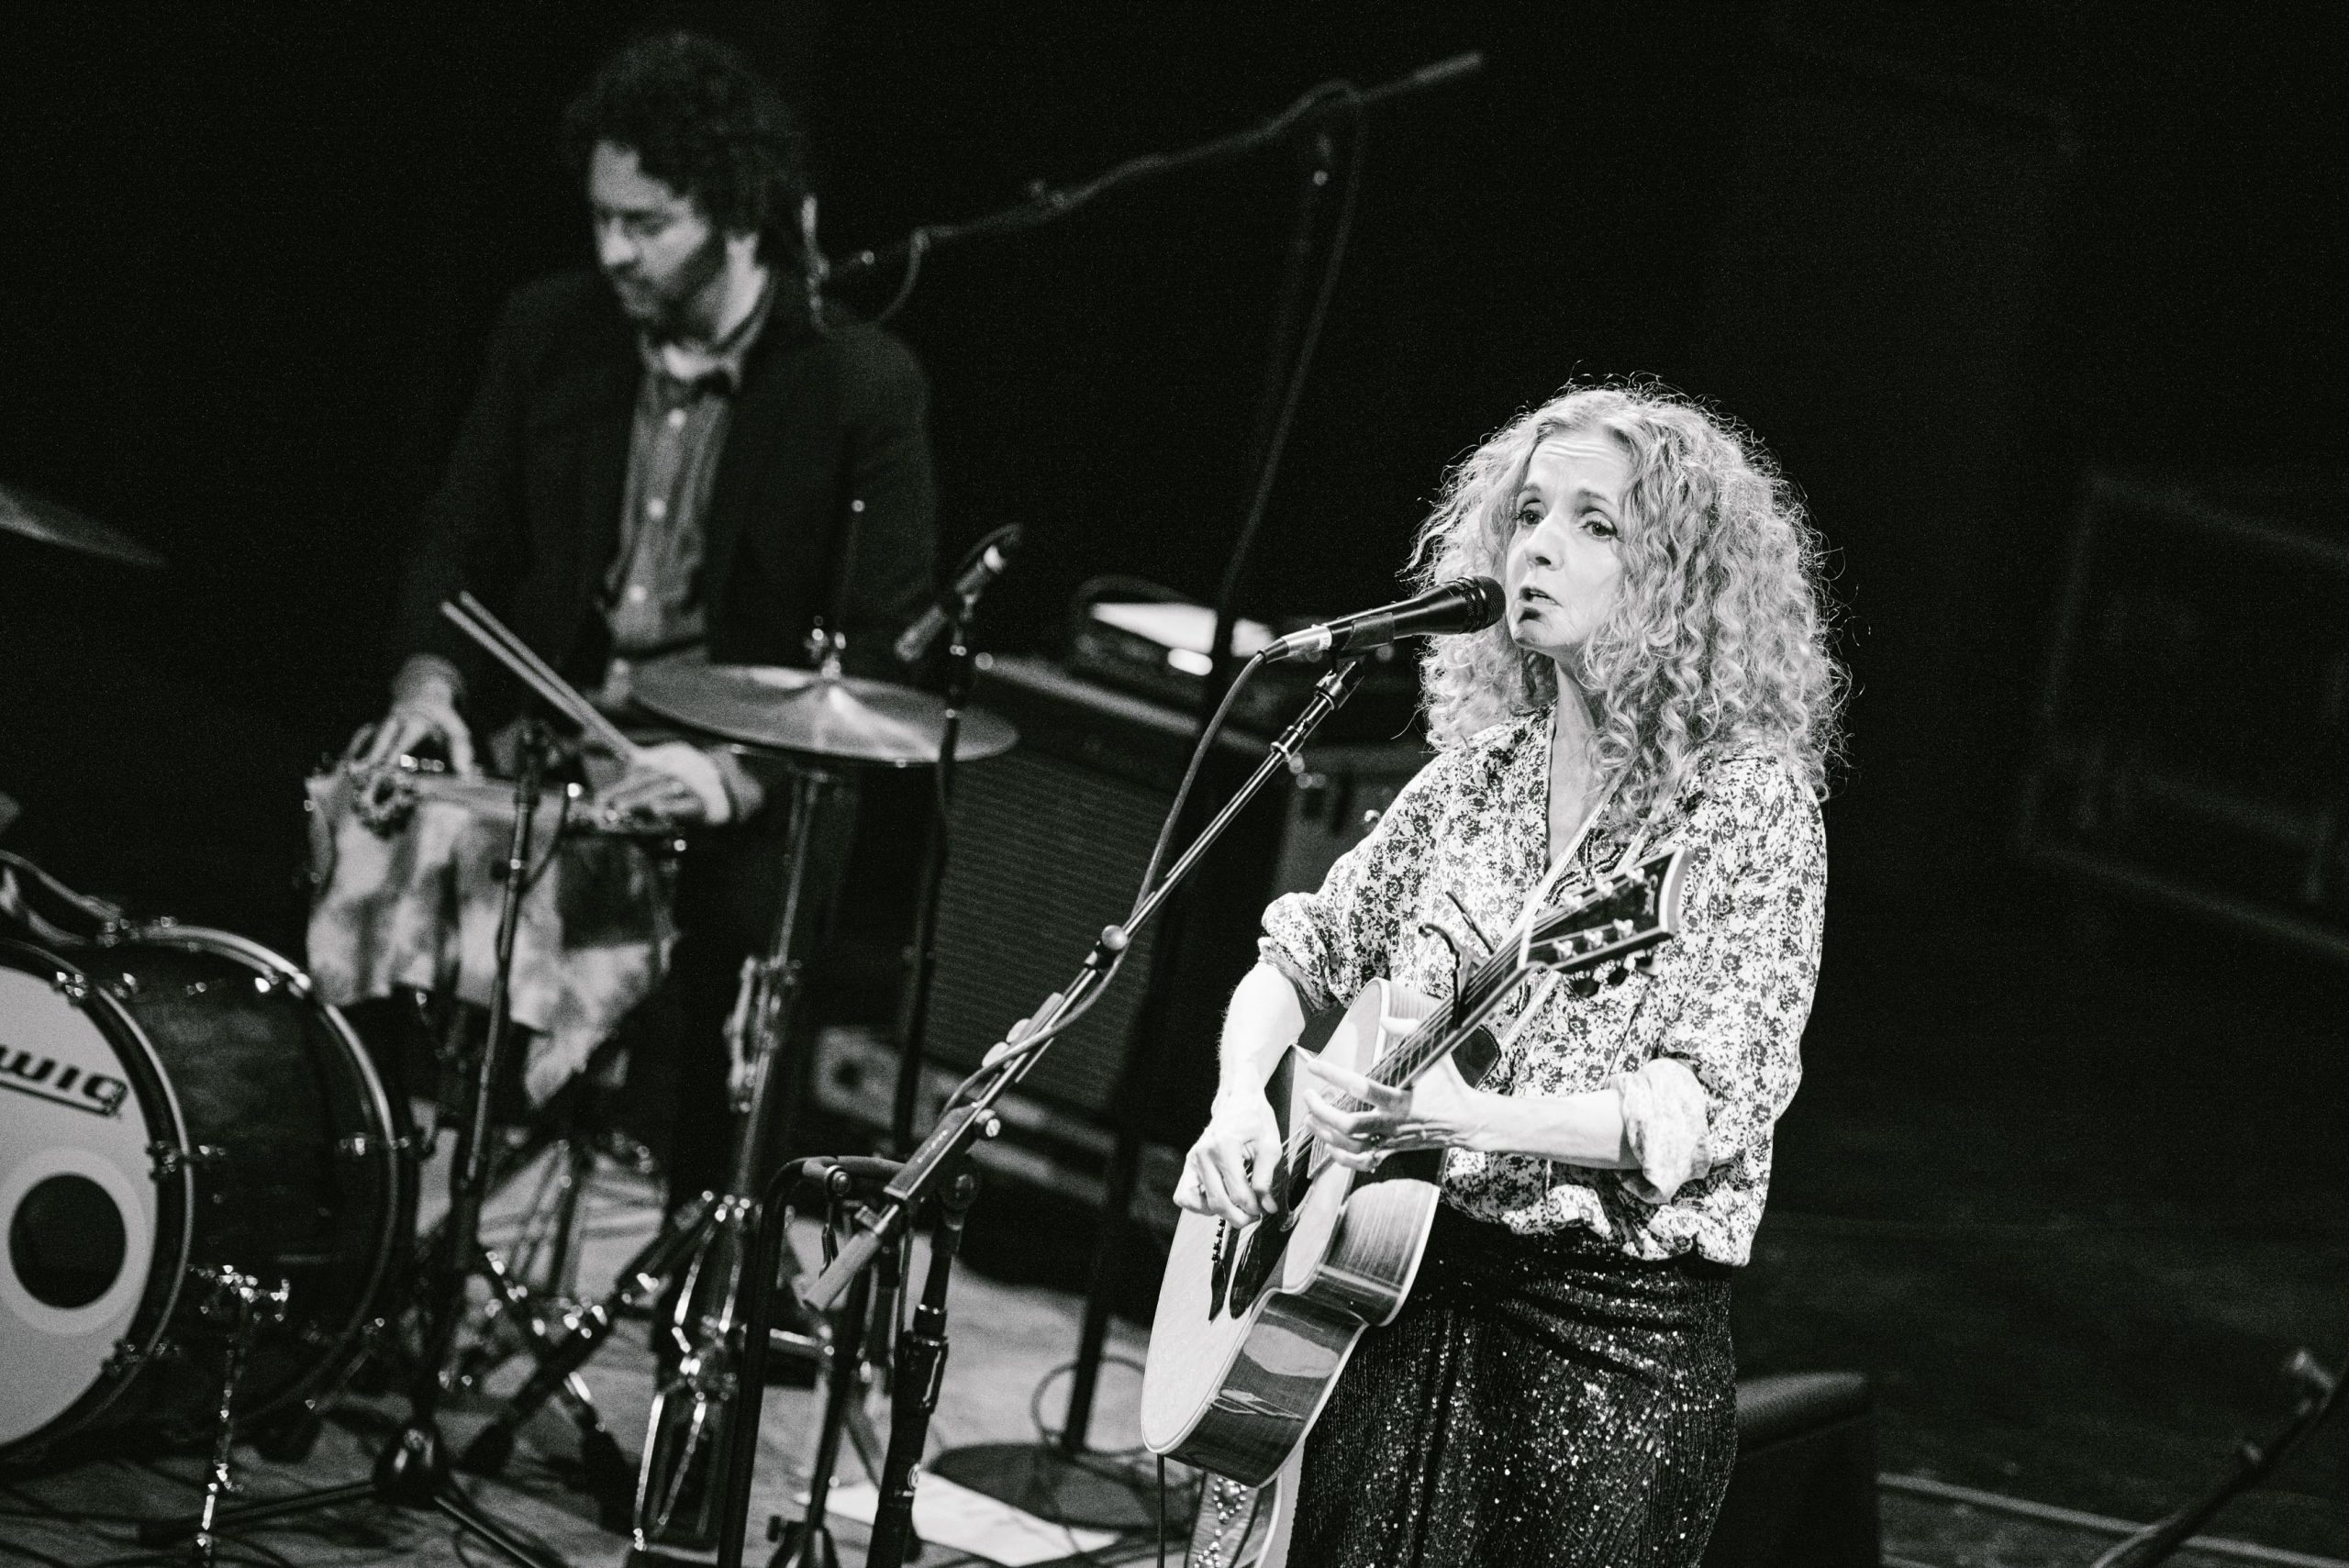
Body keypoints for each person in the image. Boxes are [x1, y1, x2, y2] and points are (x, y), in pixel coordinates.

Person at [1174, 384, 1842, 1566]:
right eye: (1529, 511)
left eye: (1596, 522)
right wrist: (1238, 1098)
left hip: (1597, 1348)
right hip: (1393, 1306)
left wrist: (1464, 1115)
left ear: (1681, 577)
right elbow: (1300, 954)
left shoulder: (1747, 806)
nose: (1537, 544)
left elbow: (1702, 1104)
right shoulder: (1476, 779)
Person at [350, 31, 936, 1201]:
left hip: (738, 767)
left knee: (758, 915)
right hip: (556, 733)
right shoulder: (548, 329)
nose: (612, 248)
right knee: (370, 833)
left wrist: (727, 772)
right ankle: (351, 1214)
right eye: (601, 217)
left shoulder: (857, 383)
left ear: (734, 213)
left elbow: (882, 643)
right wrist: (428, 692)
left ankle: (707, 1271)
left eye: (646, 222)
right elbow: (456, 541)